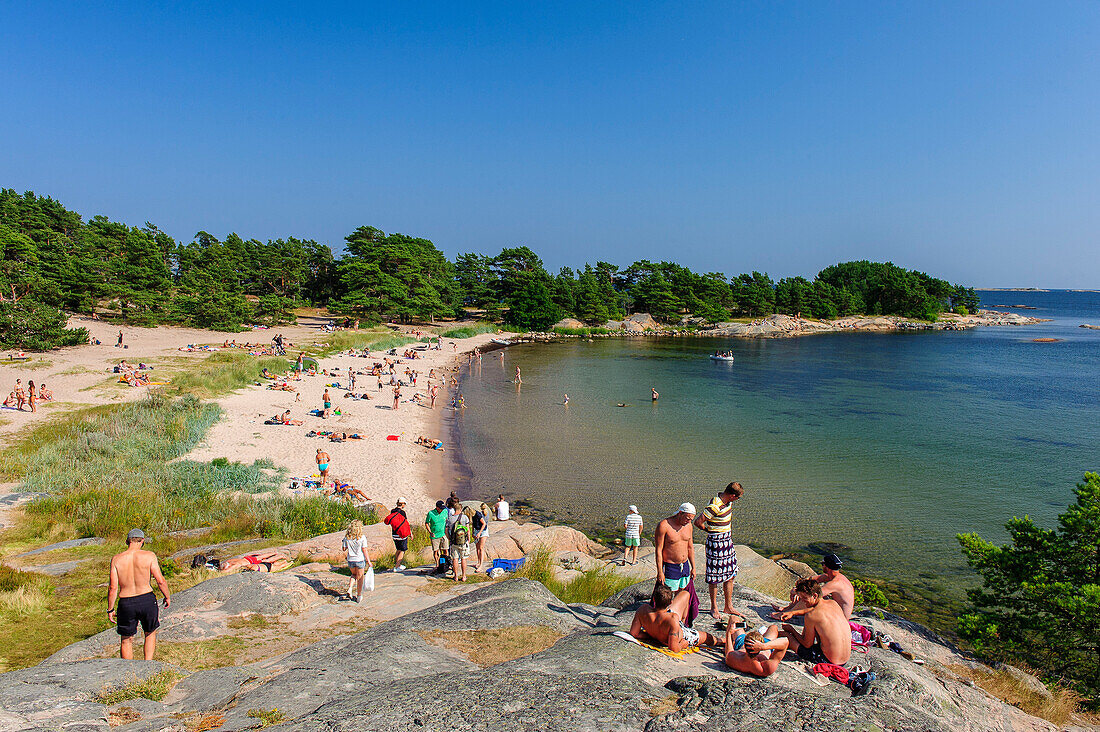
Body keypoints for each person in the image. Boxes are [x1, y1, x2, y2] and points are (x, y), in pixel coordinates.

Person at [107, 529, 170, 660]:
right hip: (146, 598)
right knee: (150, 632)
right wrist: (167, 596)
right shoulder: (149, 556)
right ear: (142, 541)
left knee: (126, 639)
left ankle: (128, 669)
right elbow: (160, 580)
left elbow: (113, 587)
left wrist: (110, 608)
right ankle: (148, 664)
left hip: (126, 602)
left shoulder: (116, 559)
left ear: (127, 541)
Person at [693, 482, 744, 621]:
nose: (737, 501)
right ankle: (714, 607)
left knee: (731, 573)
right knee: (714, 577)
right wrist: (708, 530)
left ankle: (728, 605)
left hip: (727, 540)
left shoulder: (728, 502)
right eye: (738, 498)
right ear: (732, 496)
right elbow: (698, 522)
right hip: (716, 542)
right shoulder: (715, 505)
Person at [629, 583, 719, 653]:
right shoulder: (672, 618)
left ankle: (684, 622)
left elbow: (634, 633)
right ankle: (723, 641)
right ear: (670, 602)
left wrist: (651, 635)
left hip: (661, 620)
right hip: (681, 634)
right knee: (707, 638)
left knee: (685, 594)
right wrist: (682, 645)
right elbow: (674, 648)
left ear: (654, 600)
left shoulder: (643, 610)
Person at [780, 578, 852, 666]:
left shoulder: (811, 616)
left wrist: (791, 630)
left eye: (804, 598)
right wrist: (793, 612)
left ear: (814, 595)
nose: (802, 601)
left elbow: (807, 644)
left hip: (828, 661)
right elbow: (816, 610)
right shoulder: (833, 603)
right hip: (844, 660)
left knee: (786, 636)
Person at [772, 553, 855, 620]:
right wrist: (799, 585)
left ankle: (786, 614)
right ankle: (786, 609)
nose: (822, 566)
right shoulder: (834, 576)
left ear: (827, 567)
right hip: (837, 613)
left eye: (823, 564)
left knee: (808, 597)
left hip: (840, 618)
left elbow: (812, 595)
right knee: (806, 592)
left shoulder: (835, 583)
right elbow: (814, 579)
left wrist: (796, 592)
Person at [654, 503, 699, 627]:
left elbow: (690, 547)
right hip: (670, 566)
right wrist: (660, 571)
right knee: (667, 595)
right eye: (687, 518)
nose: (689, 521)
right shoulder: (664, 526)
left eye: (691, 519)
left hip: (684, 565)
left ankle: (682, 622)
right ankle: (666, 621)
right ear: (680, 513)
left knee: (683, 593)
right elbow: (658, 550)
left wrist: (694, 567)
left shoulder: (689, 526)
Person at [724, 624, 789, 678]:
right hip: (766, 644)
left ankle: (744, 625)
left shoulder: (733, 659)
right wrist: (763, 646)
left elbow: (728, 651)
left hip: (748, 642)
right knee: (773, 627)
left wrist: (729, 633)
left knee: (734, 619)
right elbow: (785, 641)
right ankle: (756, 631)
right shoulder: (765, 668)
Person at [342, 520, 372, 603]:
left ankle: (350, 588)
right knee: (360, 578)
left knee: (353, 575)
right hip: (359, 559)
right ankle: (359, 596)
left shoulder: (347, 537)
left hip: (351, 560)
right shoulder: (362, 537)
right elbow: (364, 549)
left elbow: (344, 549)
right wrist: (369, 561)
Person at [383, 498, 410, 571]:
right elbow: (405, 524)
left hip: (394, 533)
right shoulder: (402, 513)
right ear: (403, 504)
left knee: (398, 549)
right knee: (402, 550)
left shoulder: (392, 511)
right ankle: (397, 567)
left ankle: (397, 564)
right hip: (401, 534)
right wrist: (410, 533)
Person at [449, 506, 473, 581]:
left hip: (454, 542)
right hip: (463, 542)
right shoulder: (465, 517)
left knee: (455, 559)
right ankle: (464, 576)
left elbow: (446, 530)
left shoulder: (450, 518)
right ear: (460, 509)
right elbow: (468, 530)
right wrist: (468, 539)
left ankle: (456, 576)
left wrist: (449, 538)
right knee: (463, 559)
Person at [218, 550, 291, 573]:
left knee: (266, 560)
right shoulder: (230, 561)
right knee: (262, 557)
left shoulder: (236, 564)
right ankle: (275, 553)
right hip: (247, 559)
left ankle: (280, 556)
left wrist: (220, 571)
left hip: (250, 562)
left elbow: (228, 570)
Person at [425, 500, 449, 565]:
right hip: (435, 536)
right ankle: (437, 564)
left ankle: (444, 564)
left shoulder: (445, 511)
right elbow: (427, 523)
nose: (441, 510)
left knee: (445, 550)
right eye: (440, 508)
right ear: (437, 507)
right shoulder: (431, 513)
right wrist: (430, 532)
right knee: (436, 551)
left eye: (442, 508)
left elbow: (447, 520)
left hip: (443, 534)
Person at [472, 503, 489, 571]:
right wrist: (473, 532)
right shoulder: (474, 515)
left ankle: (481, 565)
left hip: (483, 531)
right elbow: (473, 523)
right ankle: (479, 562)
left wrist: (479, 533)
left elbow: (484, 524)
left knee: (481, 548)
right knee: (478, 547)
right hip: (477, 531)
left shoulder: (479, 515)